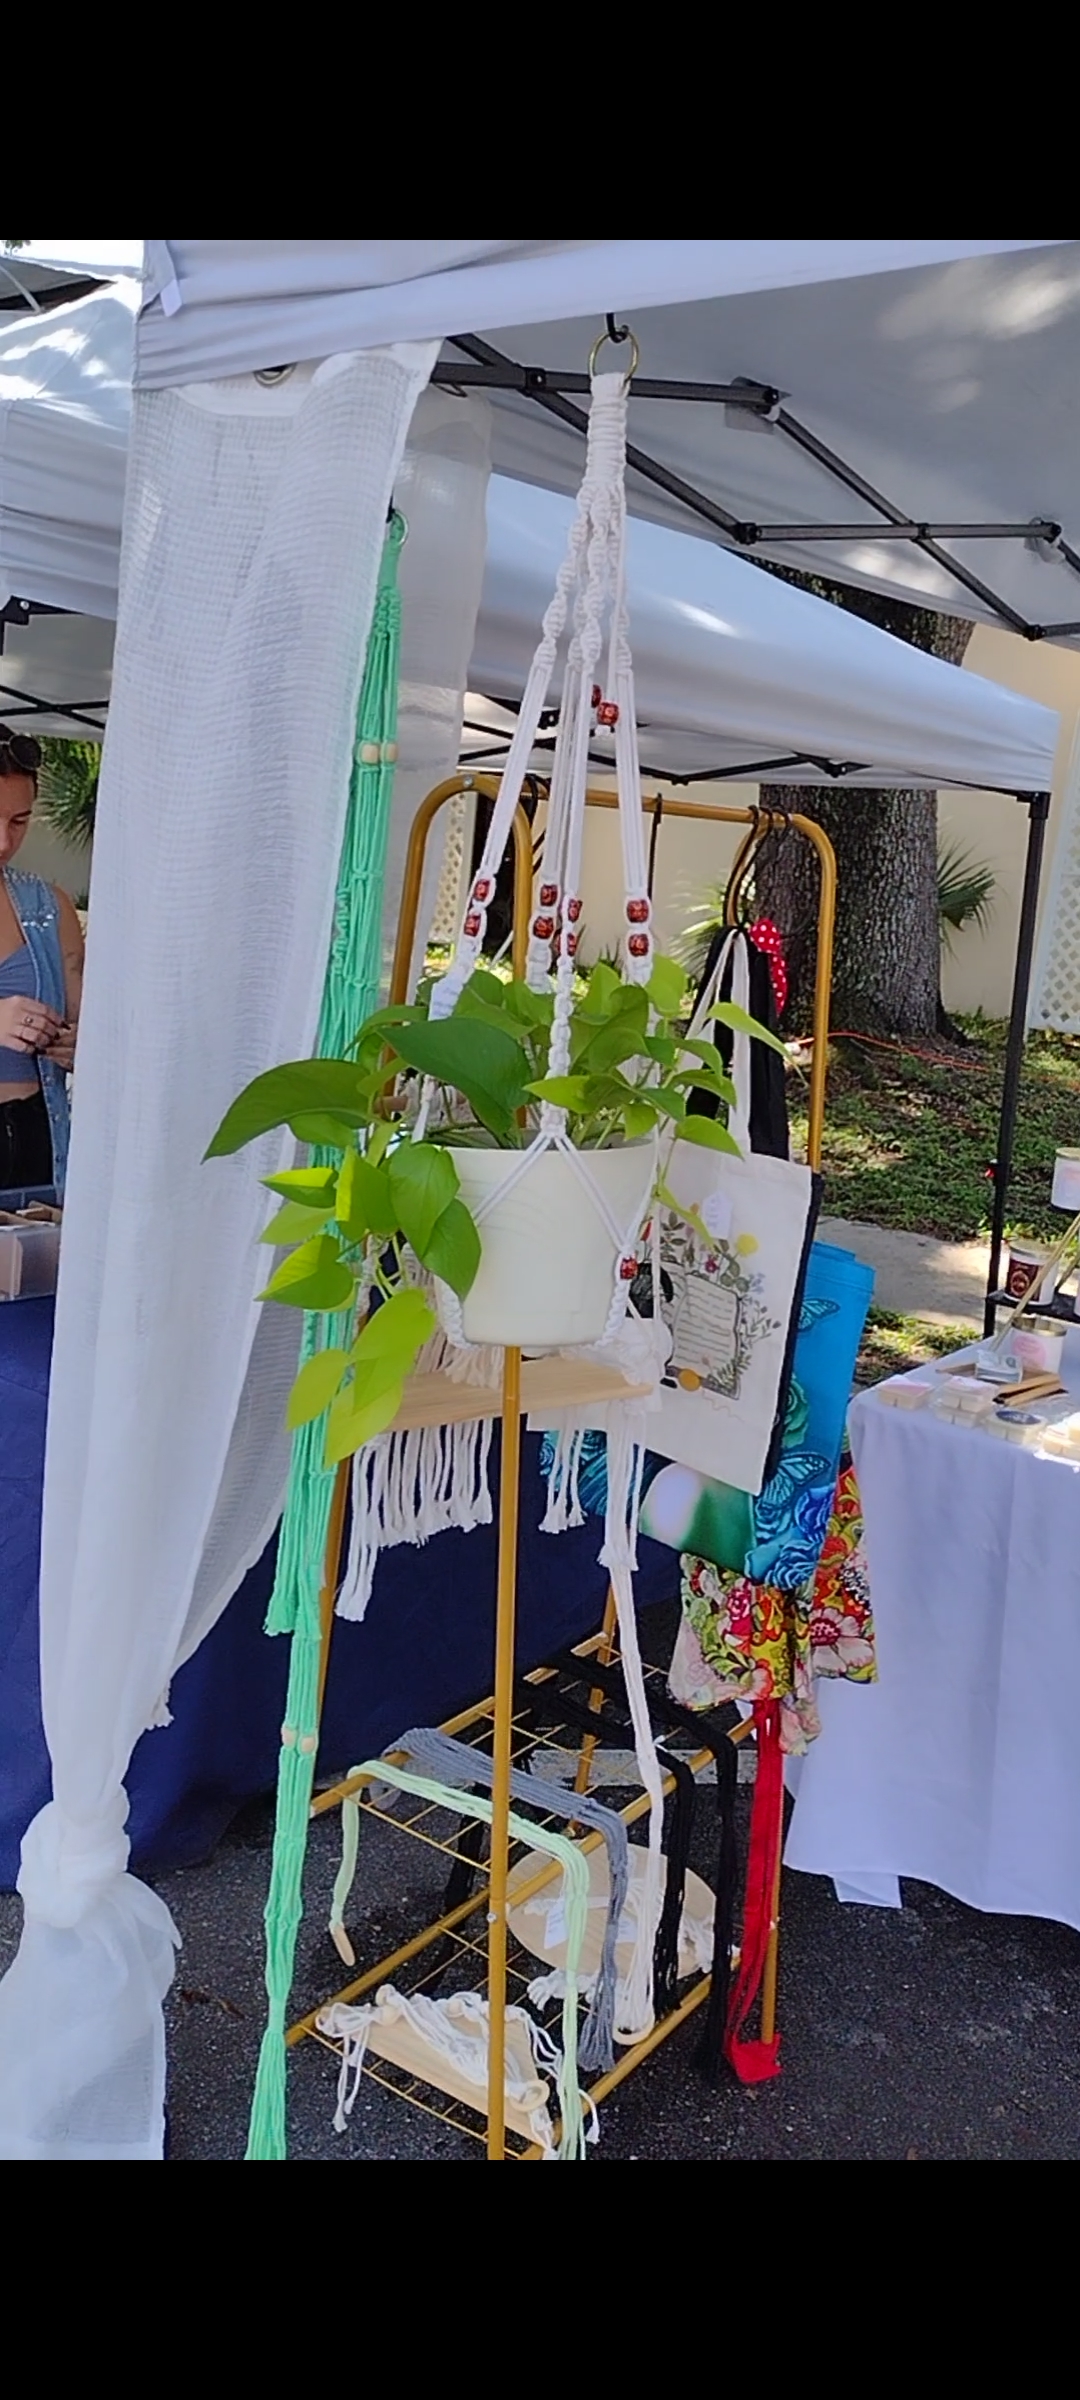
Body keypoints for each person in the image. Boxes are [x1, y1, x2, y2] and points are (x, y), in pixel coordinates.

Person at [0, 727, 84, 1196]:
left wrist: (80, 1048)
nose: (3, 841)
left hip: (37, 1138)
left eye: (19, 820)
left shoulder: (49, 905)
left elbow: (89, 1026)